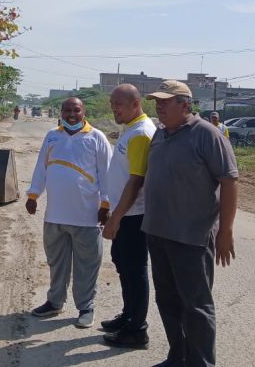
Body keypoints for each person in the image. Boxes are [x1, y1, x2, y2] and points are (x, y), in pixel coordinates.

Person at [142, 81, 239, 367]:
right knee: (167, 300)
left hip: (191, 237)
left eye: (165, 101)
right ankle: (178, 355)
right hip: (158, 232)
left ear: (185, 104)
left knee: (196, 307)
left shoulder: (207, 135)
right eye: (157, 101)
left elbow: (230, 180)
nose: (159, 106)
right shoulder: (159, 135)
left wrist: (226, 231)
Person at [25, 97, 112, 329]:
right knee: (56, 263)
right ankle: (54, 302)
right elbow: (41, 167)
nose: (71, 114)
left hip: (86, 217)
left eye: (76, 110)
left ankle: (86, 307)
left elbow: (107, 175)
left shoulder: (96, 138)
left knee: (87, 264)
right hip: (54, 216)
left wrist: (106, 205)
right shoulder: (52, 136)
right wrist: (33, 194)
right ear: (61, 112)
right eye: (67, 110)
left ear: (84, 112)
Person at [100, 84, 157, 349]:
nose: (114, 108)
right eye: (112, 103)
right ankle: (128, 315)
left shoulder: (142, 134)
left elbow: (135, 182)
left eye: (118, 104)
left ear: (135, 104)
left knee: (135, 271)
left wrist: (116, 218)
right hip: (125, 213)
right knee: (123, 266)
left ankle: (137, 330)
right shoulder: (131, 130)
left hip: (134, 216)